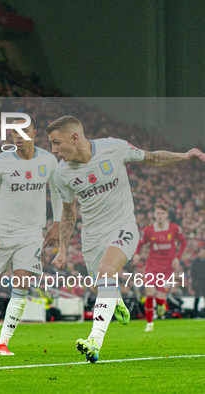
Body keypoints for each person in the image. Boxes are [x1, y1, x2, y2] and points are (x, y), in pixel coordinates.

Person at [47, 115, 205, 363]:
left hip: (123, 226)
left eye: (56, 143)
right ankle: (116, 298)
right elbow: (69, 212)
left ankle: (94, 341)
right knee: (100, 286)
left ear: (74, 137)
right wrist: (63, 249)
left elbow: (151, 157)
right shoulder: (62, 174)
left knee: (106, 270)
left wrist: (184, 156)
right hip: (91, 236)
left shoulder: (114, 147)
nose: (54, 151)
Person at [0, 116, 62, 356]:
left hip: (31, 233)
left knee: (22, 284)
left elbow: (57, 191)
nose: (18, 135)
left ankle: (2, 342)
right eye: (14, 131)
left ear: (34, 132)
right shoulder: (1, 162)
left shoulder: (48, 160)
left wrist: (56, 223)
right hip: (2, 232)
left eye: (23, 131)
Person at [132, 204, 187, 331]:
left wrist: (177, 258)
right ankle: (149, 323)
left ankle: (161, 306)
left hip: (168, 268)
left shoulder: (174, 228)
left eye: (162, 213)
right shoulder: (148, 230)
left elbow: (183, 242)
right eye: (158, 213)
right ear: (154, 215)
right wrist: (136, 255)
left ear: (167, 215)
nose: (160, 216)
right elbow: (140, 244)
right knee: (150, 293)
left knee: (160, 298)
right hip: (152, 265)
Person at [191, 248, 205, 317]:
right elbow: (192, 273)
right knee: (197, 298)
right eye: (202, 253)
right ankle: (195, 314)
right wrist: (194, 283)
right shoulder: (195, 262)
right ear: (199, 253)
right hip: (198, 282)